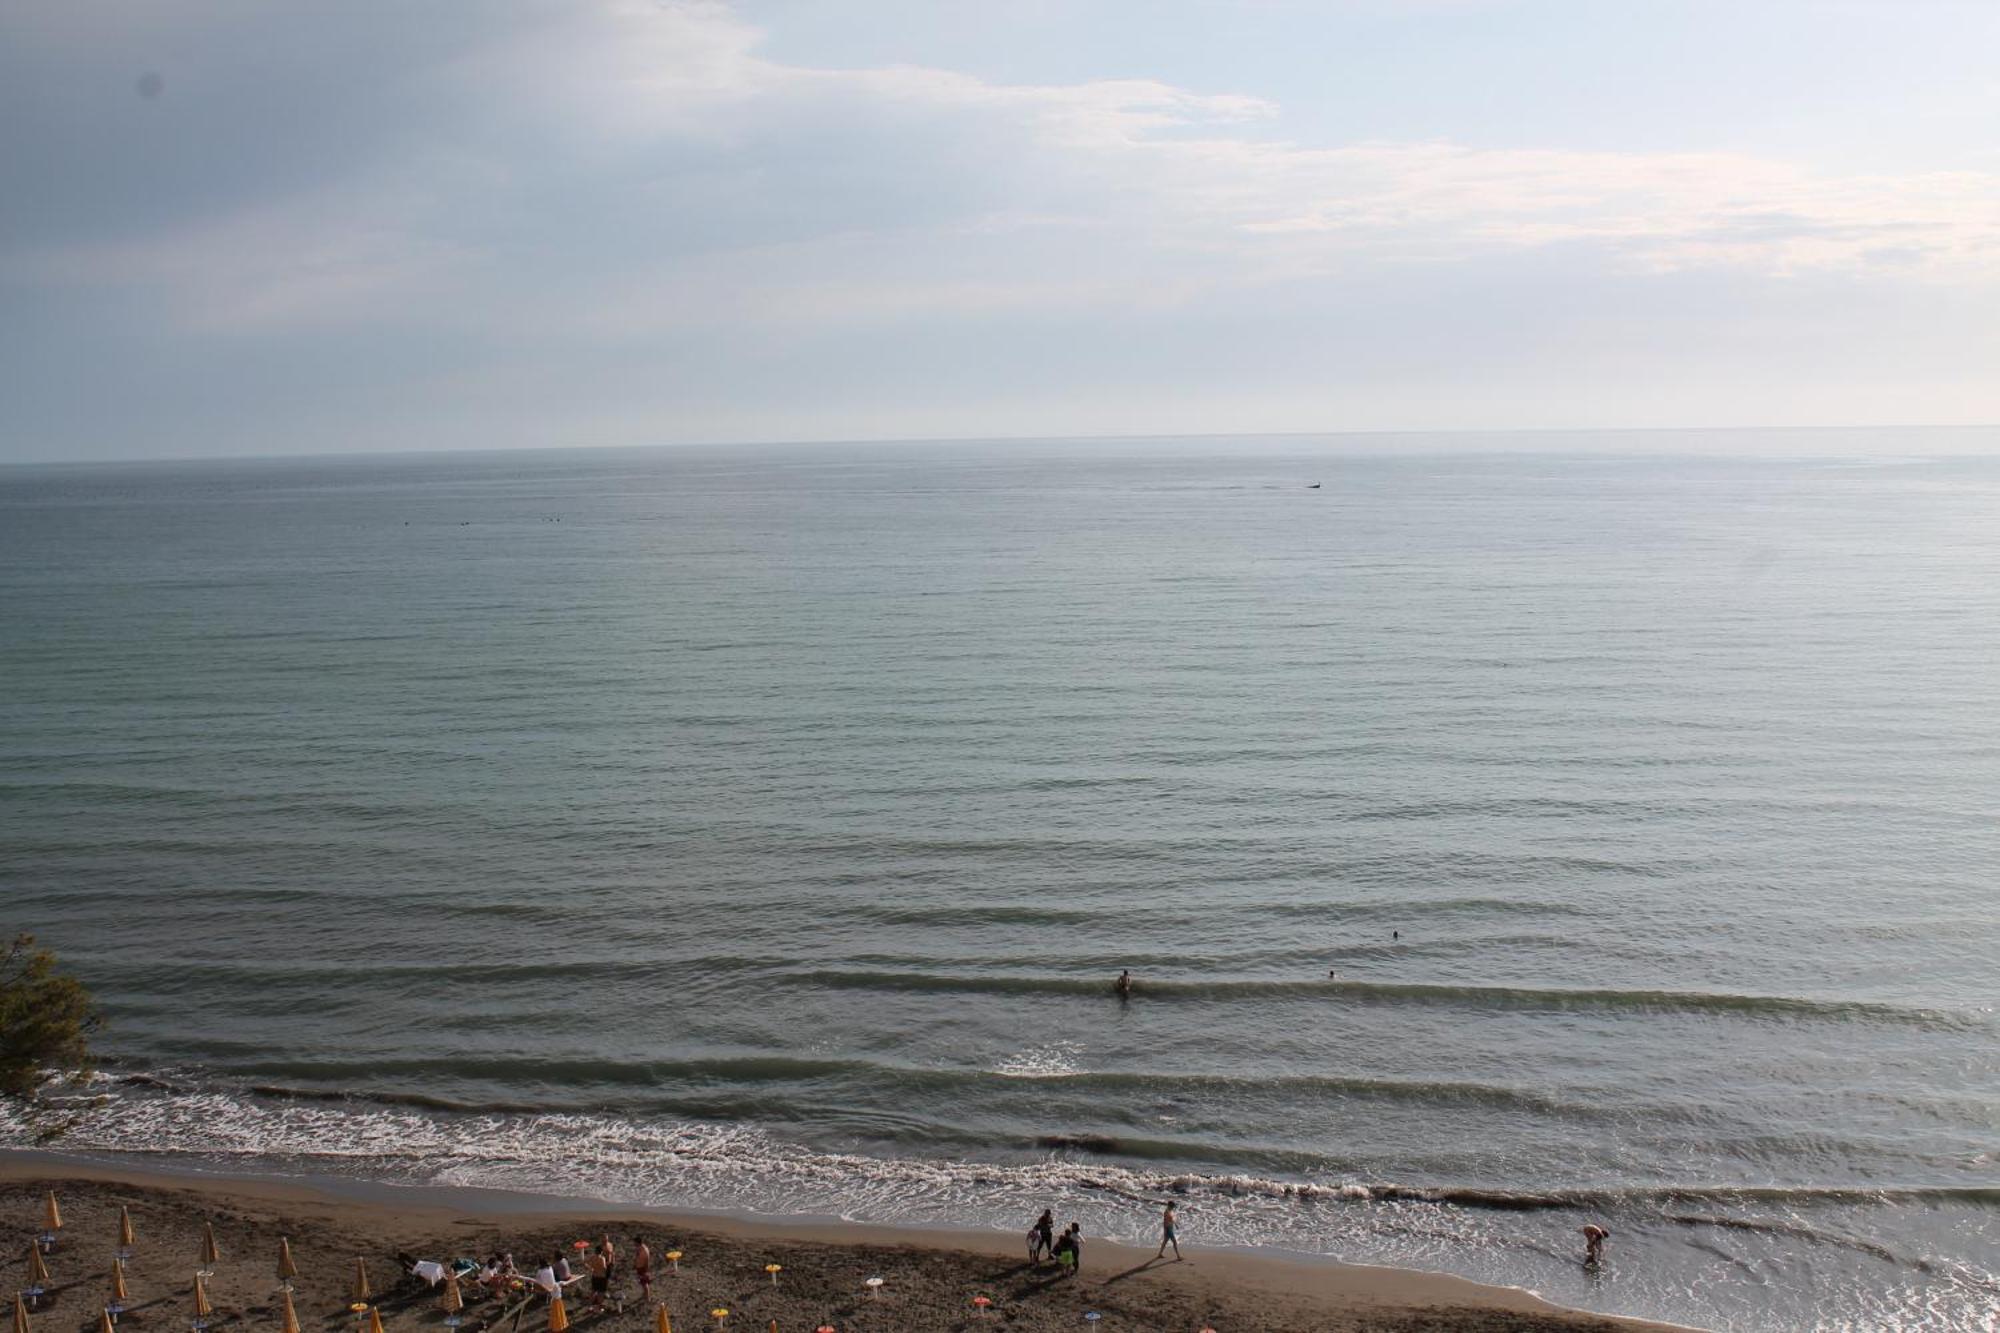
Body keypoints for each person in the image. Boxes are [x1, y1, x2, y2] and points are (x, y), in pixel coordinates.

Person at [585, 1246, 609, 1312]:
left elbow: (585, 1263)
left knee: (593, 1291)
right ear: (601, 1252)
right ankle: (599, 1307)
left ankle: (590, 1306)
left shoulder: (592, 1257)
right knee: (600, 1293)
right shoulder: (602, 1258)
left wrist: (591, 1268)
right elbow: (604, 1267)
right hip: (601, 1277)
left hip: (594, 1276)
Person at [632, 1236, 652, 1304]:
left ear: (637, 1243)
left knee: (645, 1283)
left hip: (642, 1268)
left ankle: (648, 1297)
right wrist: (635, 1264)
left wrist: (645, 1271)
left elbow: (647, 1261)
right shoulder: (639, 1248)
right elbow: (637, 1257)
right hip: (639, 1268)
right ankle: (645, 1294)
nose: (633, 1244)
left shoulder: (644, 1251)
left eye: (634, 1243)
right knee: (642, 1283)